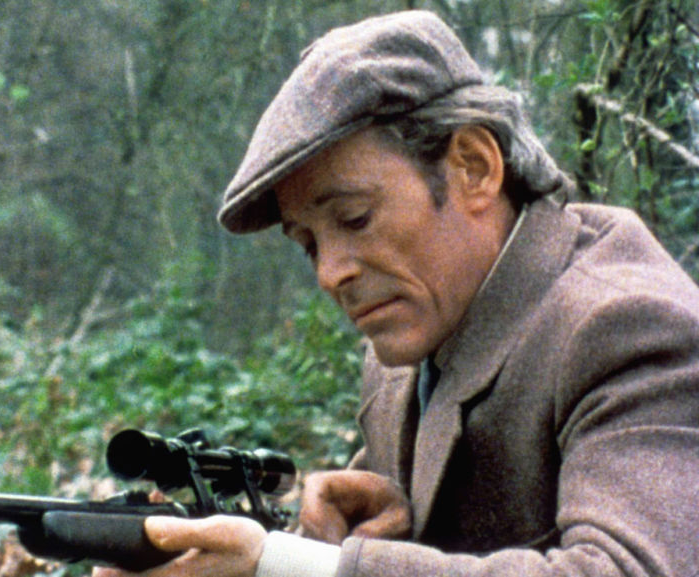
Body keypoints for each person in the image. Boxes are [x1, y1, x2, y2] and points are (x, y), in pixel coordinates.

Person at [97, 10, 699, 577]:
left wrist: (290, 564)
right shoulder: (405, 356)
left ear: (474, 167)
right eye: (308, 244)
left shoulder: (628, 326)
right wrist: (358, 529)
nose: (330, 273)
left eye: (355, 218)